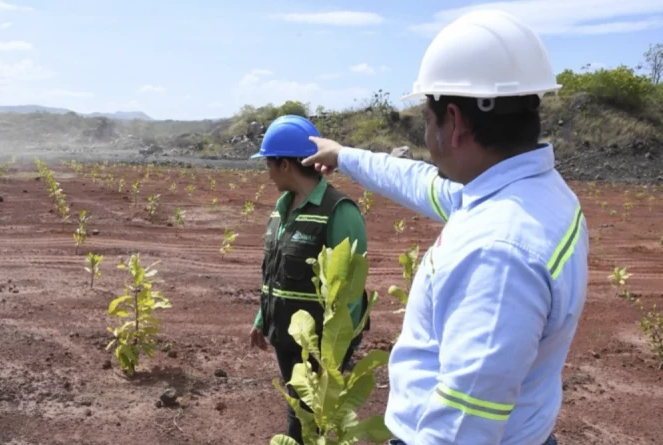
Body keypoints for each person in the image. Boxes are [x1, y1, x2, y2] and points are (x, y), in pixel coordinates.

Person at [300, 10, 588, 445]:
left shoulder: (498, 250)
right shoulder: (532, 194)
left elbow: (463, 425)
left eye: (427, 120)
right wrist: (345, 156)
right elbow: (420, 182)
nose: (426, 135)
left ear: (454, 121)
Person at [248, 114, 370, 444]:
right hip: (286, 336)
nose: (267, 171)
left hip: (319, 345)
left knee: (307, 417)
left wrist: (335, 351)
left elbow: (352, 287)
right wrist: (263, 318)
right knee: (299, 409)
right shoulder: (282, 207)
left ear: (285, 164)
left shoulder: (339, 211)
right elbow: (272, 269)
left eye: (268, 164)